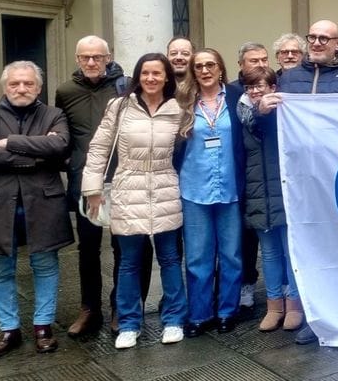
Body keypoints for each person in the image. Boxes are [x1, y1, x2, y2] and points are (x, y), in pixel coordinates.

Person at [257, 19, 338, 345]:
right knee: (311, 251)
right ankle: (315, 316)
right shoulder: (289, 79)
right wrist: (261, 111)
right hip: (301, 184)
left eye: (325, 38)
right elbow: (264, 131)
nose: (318, 42)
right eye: (313, 37)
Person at [81, 53, 187, 349]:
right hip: (128, 188)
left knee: (169, 259)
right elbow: (99, 148)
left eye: (157, 73)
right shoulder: (119, 107)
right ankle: (128, 323)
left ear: (167, 77)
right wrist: (92, 189)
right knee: (129, 262)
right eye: (145, 73)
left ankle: (174, 319)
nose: (151, 78)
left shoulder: (178, 108)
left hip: (166, 186)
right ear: (137, 77)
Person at [0, 61, 72, 358]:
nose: (21, 89)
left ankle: (43, 327)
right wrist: (36, 154)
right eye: (15, 84)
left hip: (42, 202)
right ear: (5, 86)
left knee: (45, 264)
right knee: (0, 268)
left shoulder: (54, 114)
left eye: (28, 84)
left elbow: (61, 147)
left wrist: (10, 143)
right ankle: (8, 329)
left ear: (38, 87)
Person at [56, 35, 150, 338]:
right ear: (77, 58)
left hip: (123, 180)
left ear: (108, 57)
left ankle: (121, 308)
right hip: (86, 182)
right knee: (88, 248)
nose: (92, 62)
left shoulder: (125, 87)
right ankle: (89, 309)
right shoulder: (65, 91)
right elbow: (64, 134)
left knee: (125, 247)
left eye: (98, 57)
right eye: (85, 57)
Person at [176, 49, 246, 337]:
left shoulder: (235, 97)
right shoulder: (182, 102)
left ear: (221, 69)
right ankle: (200, 314)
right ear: (193, 71)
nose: (205, 71)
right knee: (197, 256)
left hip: (230, 187)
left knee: (231, 255)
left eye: (211, 65)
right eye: (199, 66)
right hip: (194, 188)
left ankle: (227, 311)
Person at [239, 67, 305, 332]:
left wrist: (264, 112)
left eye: (261, 86)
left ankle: (294, 304)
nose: (256, 91)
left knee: (290, 252)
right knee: (268, 253)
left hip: (283, 193)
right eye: (250, 87)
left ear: (273, 88)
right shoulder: (242, 115)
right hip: (258, 194)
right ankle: (273, 305)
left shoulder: (283, 114)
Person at [229, 42, 268, 312]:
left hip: (268, 171)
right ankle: (245, 285)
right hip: (240, 171)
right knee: (244, 235)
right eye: (253, 60)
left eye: (264, 59)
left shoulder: (273, 87)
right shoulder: (230, 93)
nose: (260, 64)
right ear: (241, 64)